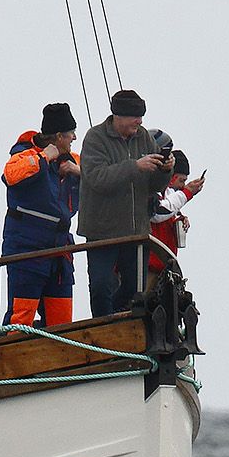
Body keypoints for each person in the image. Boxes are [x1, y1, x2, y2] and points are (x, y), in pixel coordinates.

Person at [78, 89, 173, 316]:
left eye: (141, 116)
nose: (139, 122)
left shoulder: (144, 138)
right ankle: (101, 329)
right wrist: (135, 167)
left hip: (135, 231)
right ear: (117, 116)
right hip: (102, 231)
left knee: (133, 288)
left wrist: (165, 171)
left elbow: (153, 186)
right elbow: (96, 178)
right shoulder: (95, 138)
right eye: (134, 116)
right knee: (100, 286)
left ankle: (119, 325)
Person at [0, 102, 81, 327]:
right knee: (21, 317)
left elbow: (100, 177)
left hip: (60, 253)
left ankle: (59, 359)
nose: (74, 137)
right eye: (71, 133)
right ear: (58, 136)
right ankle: (11, 354)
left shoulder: (73, 160)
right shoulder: (24, 155)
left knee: (62, 323)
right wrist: (44, 157)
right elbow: (10, 175)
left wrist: (78, 171)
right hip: (27, 250)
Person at [148, 149, 205, 275]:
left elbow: (167, 210)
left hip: (162, 268)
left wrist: (178, 220)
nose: (183, 186)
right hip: (146, 266)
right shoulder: (150, 190)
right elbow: (157, 213)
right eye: (182, 180)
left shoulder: (169, 197)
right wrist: (187, 192)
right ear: (172, 178)